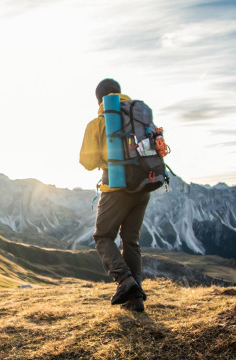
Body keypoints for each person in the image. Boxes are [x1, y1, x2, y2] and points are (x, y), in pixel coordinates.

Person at [79, 78, 149, 312]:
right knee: (131, 240)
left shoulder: (98, 123)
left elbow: (87, 162)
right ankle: (135, 300)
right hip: (143, 184)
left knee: (103, 237)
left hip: (116, 187)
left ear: (99, 100)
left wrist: (105, 160)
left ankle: (125, 282)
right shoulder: (138, 114)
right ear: (119, 93)